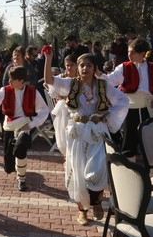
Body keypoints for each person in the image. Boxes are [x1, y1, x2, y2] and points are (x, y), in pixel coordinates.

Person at [43, 47, 129, 226]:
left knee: (97, 170)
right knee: (79, 173)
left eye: (89, 65)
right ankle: (82, 210)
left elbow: (123, 101)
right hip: (77, 132)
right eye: (82, 65)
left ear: (94, 68)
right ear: (78, 68)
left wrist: (109, 116)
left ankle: (97, 202)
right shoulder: (71, 84)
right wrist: (48, 58)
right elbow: (49, 80)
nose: (85, 69)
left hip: (97, 132)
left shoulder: (103, 85)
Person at [99, 38, 153, 158]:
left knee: (148, 141)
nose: (129, 54)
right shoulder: (124, 67)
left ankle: (149, 170)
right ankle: (129, 171)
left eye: (132, 52)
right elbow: (111, 80)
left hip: (148, 108)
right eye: (128, 51)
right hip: (129, 108)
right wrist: (99, 74)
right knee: (128, 142)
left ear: (142, 53)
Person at [0, 66, 50, 192]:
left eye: (12, 79)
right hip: (9, 126)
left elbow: (44, 110)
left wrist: (32, 124)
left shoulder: (32, 91)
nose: (9, 81)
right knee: (8, 164)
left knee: (20, 150)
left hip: (24, 126)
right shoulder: (5, 90)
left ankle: (21, 180)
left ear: (21, 80)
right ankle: (14, 169)